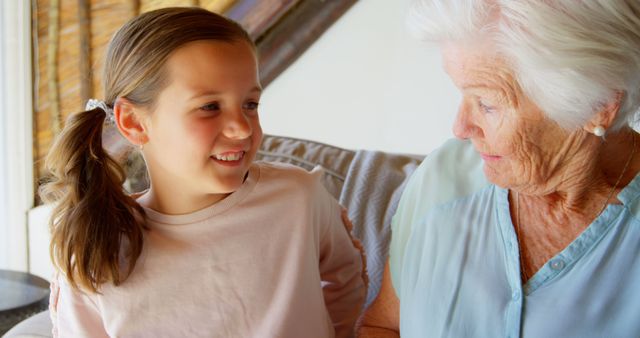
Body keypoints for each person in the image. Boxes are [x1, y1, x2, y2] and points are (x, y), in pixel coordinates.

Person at [40, 7, 366, 337]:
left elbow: (346, 279)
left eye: (250, 104)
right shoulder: (95, 250)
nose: (241, 128)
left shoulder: (298, 198)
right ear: (134, 123)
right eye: (209, 107)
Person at [358, 0, 640, 337]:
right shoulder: (443, 175)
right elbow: (383, 324)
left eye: (487, 104)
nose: (460, 128)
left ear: (599, 105)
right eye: (462, 95)